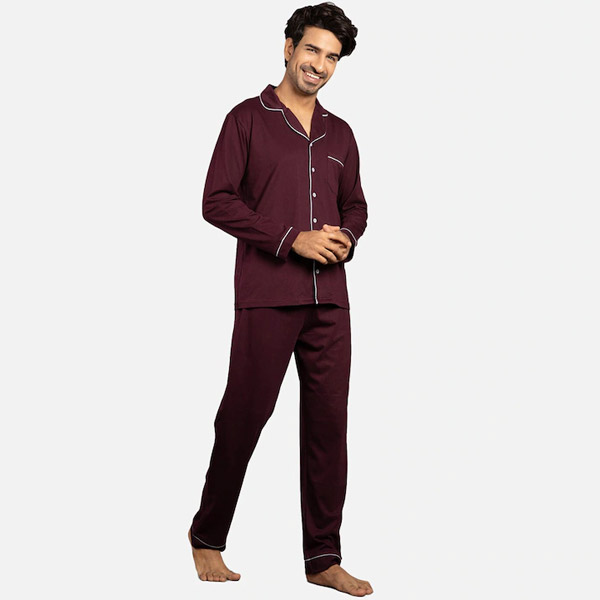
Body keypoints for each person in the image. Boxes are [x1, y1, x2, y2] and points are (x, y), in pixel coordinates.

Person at [188, 2, 372, 596]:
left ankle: (323, 557)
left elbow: (356, 205)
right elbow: (217, 200)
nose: (320, 64)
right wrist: (293, 238)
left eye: (332, 57)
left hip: (331, 304)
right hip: (267, 296)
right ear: (289, 47)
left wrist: (347, 236)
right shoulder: (246, 118)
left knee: (328, 428)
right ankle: (207, 535)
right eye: (313, 49)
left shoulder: (342, 133)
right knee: (243, 416)